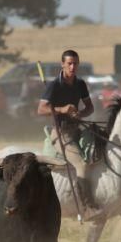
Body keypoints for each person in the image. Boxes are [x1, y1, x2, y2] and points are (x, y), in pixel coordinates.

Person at [38, 49, 102, 220]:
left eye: (75, 63)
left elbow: (90, 108)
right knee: (81, 164)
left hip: (78, 128)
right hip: (60, 132)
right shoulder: (54, 85)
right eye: (69, 63)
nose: (73, 67)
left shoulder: (80, 84)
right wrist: (62, 109)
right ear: (63, 64)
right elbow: (41, 109)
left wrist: (80, 114)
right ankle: (86, 207)